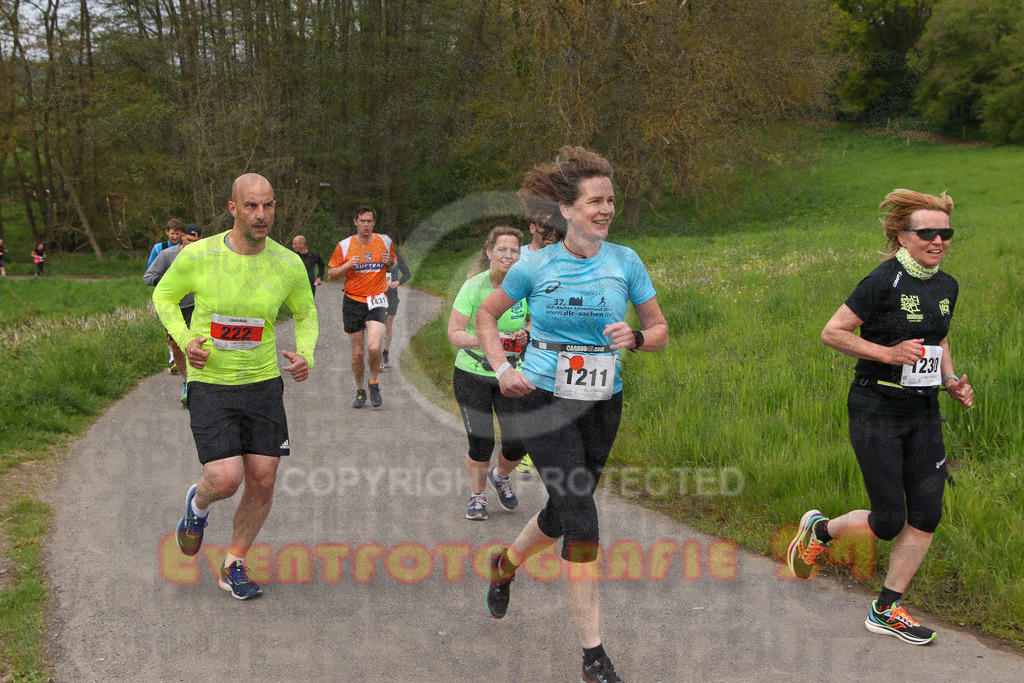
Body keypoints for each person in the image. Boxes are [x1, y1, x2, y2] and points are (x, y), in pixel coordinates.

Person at [475, 147, 668, 683]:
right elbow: (486, 315)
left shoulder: (625, 261)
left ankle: (504, 565)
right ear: (565, 208)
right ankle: (594, 655)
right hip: (542, 396)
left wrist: (638, 337)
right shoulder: (534, 265)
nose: (605, 210)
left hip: (603, 399)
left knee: (563, 513)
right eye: (594, 201)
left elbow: (659, 329)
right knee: (582, 516)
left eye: (610, 200)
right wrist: (501, 367)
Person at [788, 189, 974, 645]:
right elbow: (832, 332)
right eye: (927, 232)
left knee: (927, 514)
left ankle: (886, 608)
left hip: (924, 411)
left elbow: (940, 340)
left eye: (945, 232)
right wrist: (889, 354)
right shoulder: (882, 281)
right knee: (889, 521)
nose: (938, 240)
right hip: (877, 408)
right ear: (902, 236)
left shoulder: (946, 285)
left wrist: (950, 381)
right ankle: (820, 529)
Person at [153, 173, 318, 601]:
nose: (261, 215)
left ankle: (234, 564)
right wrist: (187, 340)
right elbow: (164, 299)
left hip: (262, 383)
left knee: (263, 479)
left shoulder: (288, 263)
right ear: (233, 208)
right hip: (211, 383)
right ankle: (197, 505)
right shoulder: (199, 255)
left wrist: (307, 353)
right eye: (251, 206)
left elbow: (306, 313)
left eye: (268, 205)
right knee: (225, 480)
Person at [448, 226, 529, 521]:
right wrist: (488, 340)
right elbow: (455, 334)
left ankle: (500, 477)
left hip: (511, 373)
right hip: (473, 372)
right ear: (489, 252)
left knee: (518, 440)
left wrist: (525, 334)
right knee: (481, 442)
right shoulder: (474, 286)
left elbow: (533, 322)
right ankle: (477, 495)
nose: (508, 255)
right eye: (502, 249)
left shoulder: (524, 285)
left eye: (514, 251)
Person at [327, 206, 395, 408]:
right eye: (362, 221)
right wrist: (347, 266)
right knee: (358, 353)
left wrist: (389, 262)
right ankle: (360, 389)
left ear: (374, 223)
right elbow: (331, 274)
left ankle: (373, 381)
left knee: (374, 347)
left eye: (370, 221)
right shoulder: (345, 245)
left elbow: (392, 265)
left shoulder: (385, 241)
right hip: (353, 301)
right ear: (355, 221)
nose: (366, 224)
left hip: (377, 300)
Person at [144, 223, 203, 407]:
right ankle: (186, 380)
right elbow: (148, 276)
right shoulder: (167, 255)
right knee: (177, 347)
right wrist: (166, 281)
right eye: (189, 240)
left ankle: (198, 383)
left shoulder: (206, 257)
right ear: (182, 237)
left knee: (199, 343)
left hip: (197, 306)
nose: (192, 244)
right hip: (174, 307)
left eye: (196, 241)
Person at [381, 247, 411, 369]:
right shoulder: (375, 256)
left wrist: (397, 282)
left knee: (388, 324)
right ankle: (376, 355)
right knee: (376, 325)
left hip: (392, 295)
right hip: (377, 295)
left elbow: (407, 274)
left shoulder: (397, 257)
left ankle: (385, 354)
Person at [291, 234, 325, 299]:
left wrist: (320, 277)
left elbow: (321, 265)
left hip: (309, 285)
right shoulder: (293, 255)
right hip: (296, 286)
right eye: (293, 244)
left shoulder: (313, 255)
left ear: (302, 245)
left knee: (308, 307)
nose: (293, 246)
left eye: (295, 244)